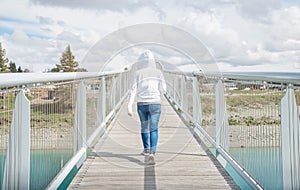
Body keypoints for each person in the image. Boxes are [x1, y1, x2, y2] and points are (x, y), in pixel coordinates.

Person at [127, 50, 166, 164]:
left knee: (144, 128)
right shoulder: (158, 73)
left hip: (142, 104)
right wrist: (159, 95)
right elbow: (164, 89)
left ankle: (146, 149)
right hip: (155, 103)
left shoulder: (138, 73)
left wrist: (129, 106)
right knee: (154, 129)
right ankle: (152, 153)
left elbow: (132, 91)